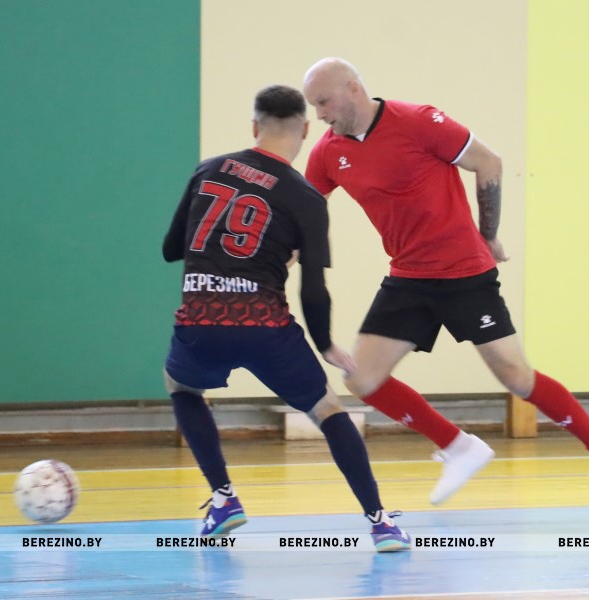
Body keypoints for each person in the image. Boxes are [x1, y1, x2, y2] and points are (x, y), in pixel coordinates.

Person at [301, 58, 589, 516]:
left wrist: (489, 234)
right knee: (361, 378)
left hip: (464, 273)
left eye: (324, 102)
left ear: (354, 89)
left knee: (515, 376)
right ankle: (459, 447)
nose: (320, 114)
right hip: (408, 278)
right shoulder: (328, 152)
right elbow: (304, 210)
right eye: (314, 106)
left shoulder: (418, 121)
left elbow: (488, 162)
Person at [162, 84, 411, 551]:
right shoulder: (306, 197)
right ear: (305, 130)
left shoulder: (208, 169)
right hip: (264, 323)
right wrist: (325, 343)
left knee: (181, 386)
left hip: (201, 316)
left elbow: (171, 249)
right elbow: (313, 289)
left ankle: (224, 498)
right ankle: (380, 523)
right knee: (327, 410)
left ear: (254, 126)